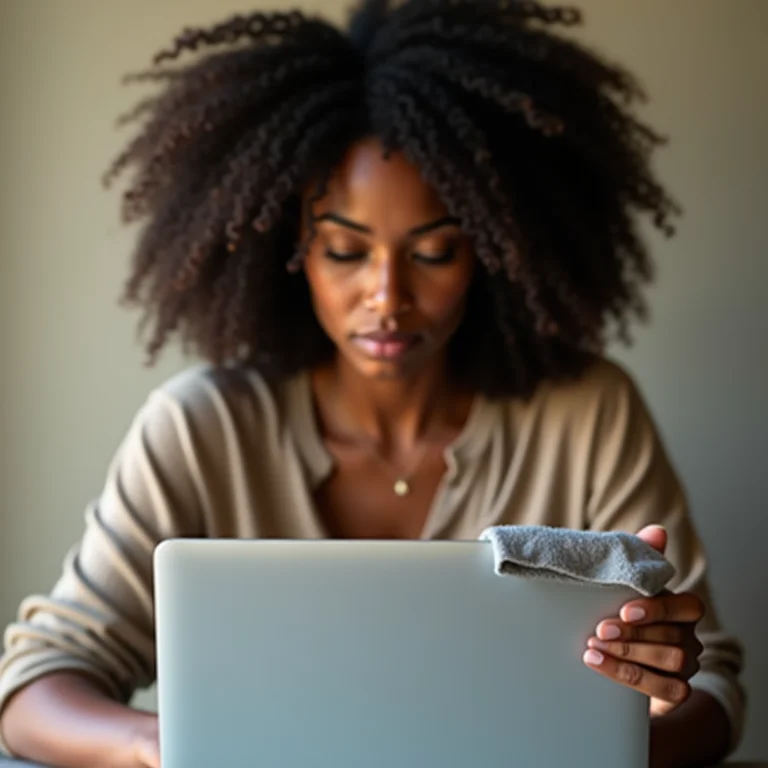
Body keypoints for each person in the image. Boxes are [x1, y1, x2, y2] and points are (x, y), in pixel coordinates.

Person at [0, 1, 745, 766]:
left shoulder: (587, 415)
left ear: (497, 251)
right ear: (286, 250)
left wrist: (652, 690)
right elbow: (33, 685)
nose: (387, 297)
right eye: (345, 251)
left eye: (434, 252)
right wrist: (168, 749)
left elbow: (711, 691)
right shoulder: (201, 428)